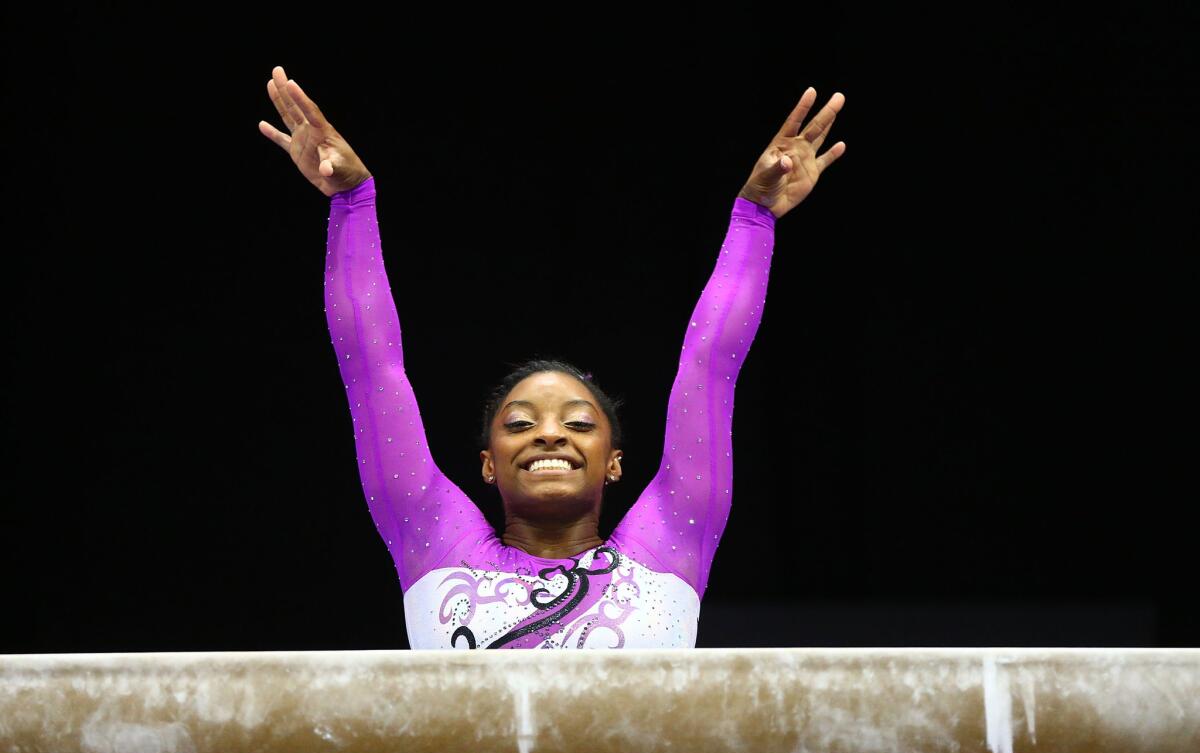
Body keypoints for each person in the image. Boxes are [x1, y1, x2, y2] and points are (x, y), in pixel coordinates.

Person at [258, 66, 846, 649]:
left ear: (613, 462)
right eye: (519, 424)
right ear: (488, 464)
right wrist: (352, 204)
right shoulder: (430, 534)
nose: (549, 435)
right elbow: (370, 367)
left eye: (579, 424)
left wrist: (755, 217)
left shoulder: (673, 536)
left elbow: (710, 365)